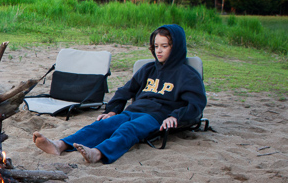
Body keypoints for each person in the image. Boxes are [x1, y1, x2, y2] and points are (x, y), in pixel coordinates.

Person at [32, 24, 207, 164]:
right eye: (156, 46)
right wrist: (112, 110)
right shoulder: (148, 69)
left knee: (127, 129)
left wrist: (176, 116)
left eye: (164, 46)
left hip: (157, 116)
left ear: (176, 47)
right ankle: (59, 145)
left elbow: (196, 103)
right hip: (134, 111)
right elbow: (125, 90)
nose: (158, 51)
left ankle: (98, 153)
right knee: (102, 125)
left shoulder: (187, 75)